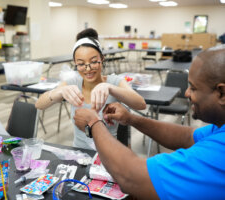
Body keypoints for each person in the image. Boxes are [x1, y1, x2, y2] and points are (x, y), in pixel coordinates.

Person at [74, 46, 225, 199]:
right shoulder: (219, 130)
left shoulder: (219, 152)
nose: (186, 93)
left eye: (193, 88)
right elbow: (187, 136)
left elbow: (130, 177)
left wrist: (93, 122)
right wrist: (131, 119)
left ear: (222, 93)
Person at [35, 28, 146, 149]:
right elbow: (39, 105)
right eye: (81, 64)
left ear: (102, 59)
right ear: (75, 63)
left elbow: (141, 104)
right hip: (80, 153)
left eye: (93, 62)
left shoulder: (114, 81)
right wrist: (58, 91)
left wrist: (110, 88)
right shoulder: (73, 83)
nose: (88, 69)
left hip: (109, 155)